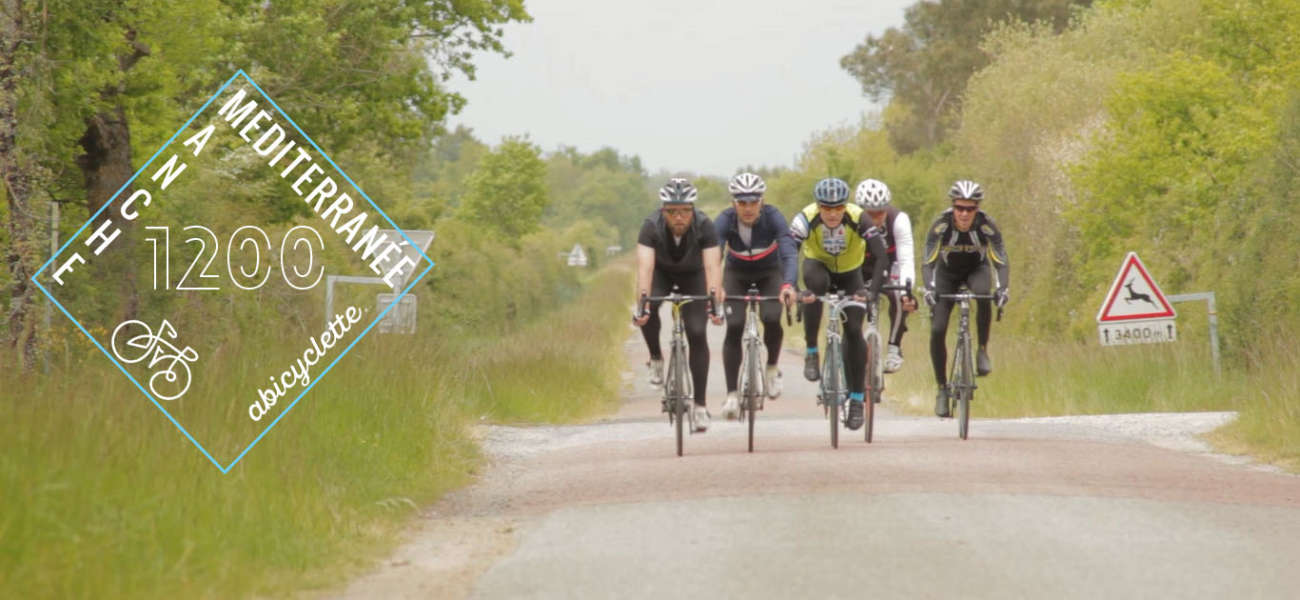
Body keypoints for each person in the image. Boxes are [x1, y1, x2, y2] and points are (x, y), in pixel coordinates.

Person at [789, 177, 889, 431]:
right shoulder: (805, 218)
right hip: (817, 267)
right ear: (818, 206)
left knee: (854, 330)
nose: (832, 214)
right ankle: (812, 349)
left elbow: (880, 256)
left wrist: (871, 291)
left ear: (845, 207)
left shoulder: (859, 217)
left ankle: (856, 400)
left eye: (837, 208)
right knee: (815, 288)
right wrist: (792, 287)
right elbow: (789, 253)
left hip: (850, 274)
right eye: (826, 208)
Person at [633, 178, 724, 432]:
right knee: (647, 308)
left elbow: (712, 266)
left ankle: (701, 407)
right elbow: (645, 267)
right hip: (661, 273)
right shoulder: (650, 226)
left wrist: (714, 301)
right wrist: (642, 303)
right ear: (664, 211)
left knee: (696, 332)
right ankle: (656, 358)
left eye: (684, 210)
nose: (679, 217)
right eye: (672, 211)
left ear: (692, 210)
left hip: (694, 275)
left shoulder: (705, 225)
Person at [713, 172, 798, 420]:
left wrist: (789, 285)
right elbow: (713, 254)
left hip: (769, 272)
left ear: (762, 201)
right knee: (735, 325)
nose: (748, 208)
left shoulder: (773, 217)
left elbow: (789, 253)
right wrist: (715, 285)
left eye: (753, 202)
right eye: (742, 203)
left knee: (772, 317)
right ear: (733, 204)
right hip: (736, 274)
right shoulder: (724, 220)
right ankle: (731, 395)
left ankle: (772, 368)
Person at [922, 180, 1010, 418]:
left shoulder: (986, 225)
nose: (964, 213)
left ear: (977, 209)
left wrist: (1003, 289)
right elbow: (928, 259)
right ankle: (942, 388)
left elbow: (1000, 258)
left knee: (983, 294)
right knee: (938, 329)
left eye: (970, 209)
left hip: (976, 269)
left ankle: (982, 349)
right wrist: (929, 288)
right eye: (960, 208)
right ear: (953, 206)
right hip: (946, 274)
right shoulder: (941, 225)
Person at [853, 178, 918, 374]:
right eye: (869, 214)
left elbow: (907, 259)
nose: (875, 218)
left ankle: (894, 347)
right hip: (859, 267)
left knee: (899, 295)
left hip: (890, 267)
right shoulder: (851, 220)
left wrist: (908, 289)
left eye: (880, 212)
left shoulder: (898, 220)